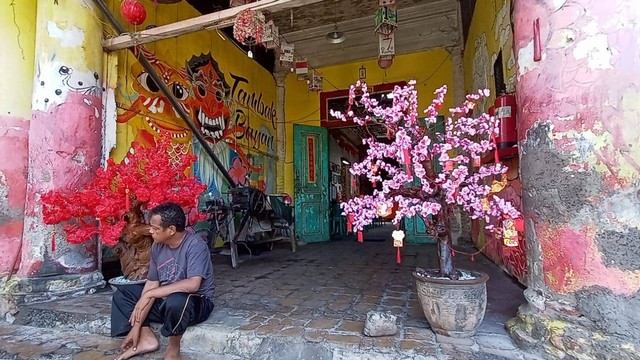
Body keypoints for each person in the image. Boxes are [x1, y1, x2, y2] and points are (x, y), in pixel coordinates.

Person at [111, 202, 215, 360]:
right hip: (165, 302)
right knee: (123, 294)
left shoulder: (195, 245)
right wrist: (137, 326)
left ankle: (173, 349)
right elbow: (152, 283)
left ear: (171, 230)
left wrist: (150, 295)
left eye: (155, 228)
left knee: (176, 301)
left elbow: (193, 284)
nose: (150, 230)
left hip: (195, 304)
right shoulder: (157, 246)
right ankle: (146, 338)